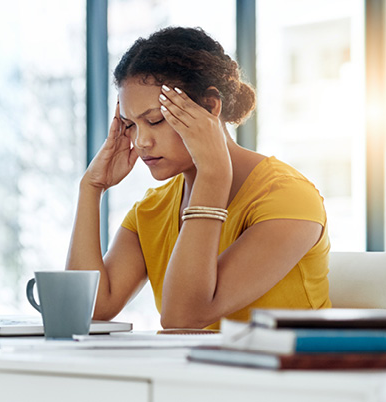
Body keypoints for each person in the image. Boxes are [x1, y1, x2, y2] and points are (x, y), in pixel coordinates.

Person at [66, 27, 331, 330]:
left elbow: (184, 318)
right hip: (191, 375)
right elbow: (86, 309)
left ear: (210, 107)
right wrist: (90, 188)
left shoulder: (288, 197)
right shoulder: (152, 211)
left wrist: (213, 174)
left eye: (155, 120)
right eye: (130, 125)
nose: (141, 142)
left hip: (287, 376)